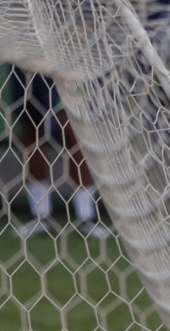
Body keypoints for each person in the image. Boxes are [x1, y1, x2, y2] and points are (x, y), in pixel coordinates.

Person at [13, 70, 110, 239]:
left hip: (69, 61)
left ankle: (85, 216)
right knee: (32, 126)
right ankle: (40, 216)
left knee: (72, 127)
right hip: (28, 59)